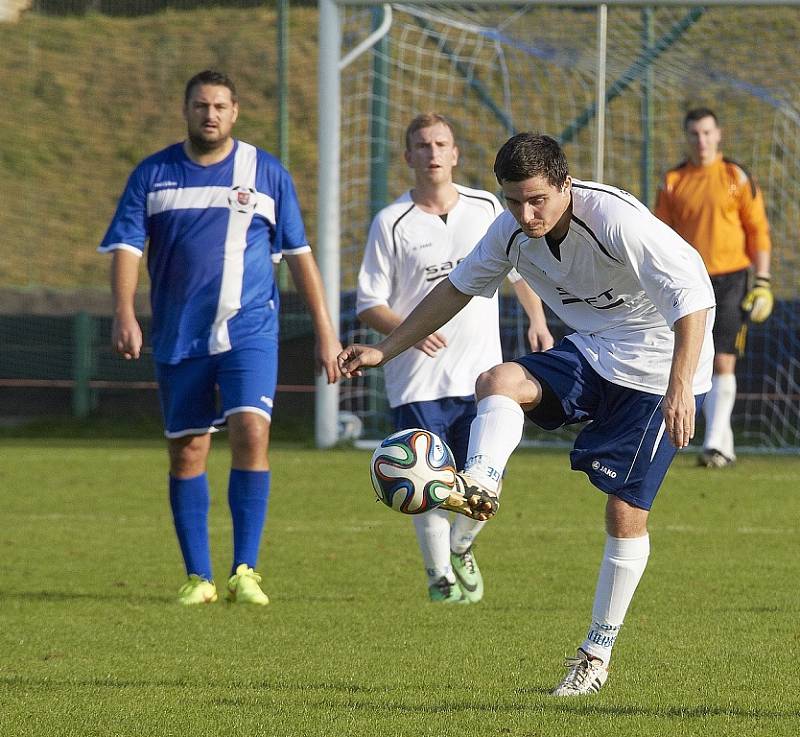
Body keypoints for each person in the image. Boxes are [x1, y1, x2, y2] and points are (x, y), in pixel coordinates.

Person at [339, 133, 715, 696]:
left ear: (566, 185)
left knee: (624, 514)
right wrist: (384, 349)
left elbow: (694, 297)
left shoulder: (615, 220)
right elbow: (454, 292)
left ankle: (595, 654)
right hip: (597, 348)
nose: (526, 213)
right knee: (498, 379)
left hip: (662, 364)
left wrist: (680, 386)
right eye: (514, 200)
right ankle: (481, 484)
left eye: (537, 199)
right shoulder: (509, 230)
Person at [99, 70, 342, 606]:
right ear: (185, 110)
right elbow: (126, 248)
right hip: (180, 333)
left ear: (235, 112)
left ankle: (245, 569)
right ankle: (198, 578)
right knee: (188, 449)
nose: (210, 114)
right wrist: (124, 313)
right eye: (200, 105)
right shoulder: (153, 174)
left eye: (220, 106)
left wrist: (327, 333)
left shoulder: (266, 172)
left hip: (250, 328)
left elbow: (300, 256)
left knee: (251, 431)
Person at [357, 113, 553, 605]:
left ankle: (462, 547)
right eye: (422, 145)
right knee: (424, 478)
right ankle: (439, 576)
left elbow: (519, 269)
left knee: (486, 478)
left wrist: (538, 319)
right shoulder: (392, 222)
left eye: (441, 143)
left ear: (455, 153)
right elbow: (368, 302)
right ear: (408, 156)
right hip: (418, 380)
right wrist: (407, 331)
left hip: (482, 374)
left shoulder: (488, 205)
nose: (433, 152)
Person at [655, 107, 773, 468]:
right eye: (694, 134)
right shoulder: (674, 180)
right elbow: (659, 236)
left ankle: (713, 446)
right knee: (689, 359)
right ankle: (722, 442)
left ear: (718, 134)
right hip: (690, 280)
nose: (701, 140)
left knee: (724, 358)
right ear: (686, 137)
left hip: (733, 278)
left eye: (707, 133)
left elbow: (758, 233)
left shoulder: (736, 176)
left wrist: (764, 281)